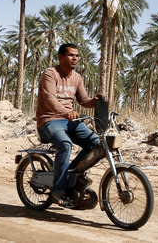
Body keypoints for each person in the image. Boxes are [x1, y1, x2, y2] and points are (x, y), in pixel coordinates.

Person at [36, 43, 102, 207]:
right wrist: (65, 112)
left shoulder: (77, 77)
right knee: (65, 145)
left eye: (77, 56)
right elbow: (49, 99)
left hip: (70, 121)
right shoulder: (50, 74)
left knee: (96, 143)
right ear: (60, 57)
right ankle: (58, 190)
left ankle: (70, 175)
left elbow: (83, 100)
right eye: (71, 55)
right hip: (49, 120)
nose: (75, 58)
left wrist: (93, 101)